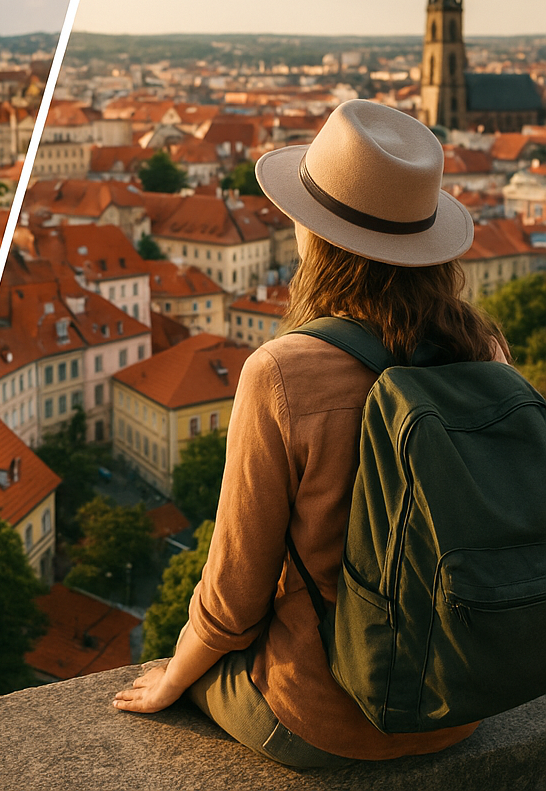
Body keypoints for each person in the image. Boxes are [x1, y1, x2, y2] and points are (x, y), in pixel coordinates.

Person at [113, 99, 506, 766]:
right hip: (461, 700)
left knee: (216, 671)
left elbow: (234, 594)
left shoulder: (283, 372)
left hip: (328, 719)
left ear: (316, 239)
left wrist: (175, 679)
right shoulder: (486, 349)